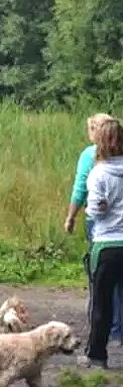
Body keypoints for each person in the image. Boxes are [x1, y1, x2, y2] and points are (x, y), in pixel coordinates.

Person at [65, 113, 122, 346]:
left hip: (106, 237)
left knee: (100, 292)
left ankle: (98, 348)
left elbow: (86, 198)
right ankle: (119, 332)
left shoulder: (95, 166)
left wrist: (74, 215)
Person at [83, 117, 123, 368]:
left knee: (102, 302)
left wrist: (94, 209)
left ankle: (97, 354)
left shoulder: (98, 173)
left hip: (107, 243)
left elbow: (95, 212)